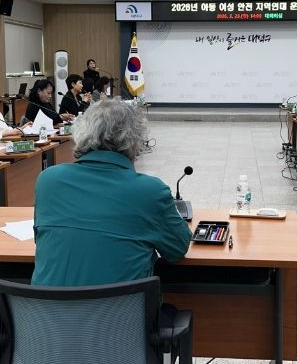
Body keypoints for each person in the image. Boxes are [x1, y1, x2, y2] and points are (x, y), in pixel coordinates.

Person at [32, 99, 192, 287]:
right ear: (135, 140)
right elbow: (177, 249)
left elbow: (41, 239)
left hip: (47, 306)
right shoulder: (150, 191)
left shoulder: (48, 180)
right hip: (124, 307)